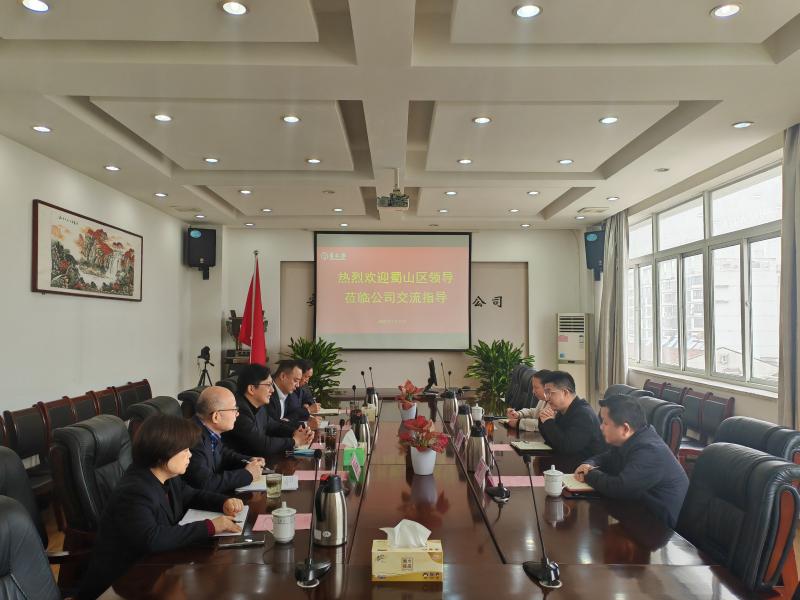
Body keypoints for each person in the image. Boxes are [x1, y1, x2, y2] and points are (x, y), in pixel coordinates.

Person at [77, 415, 243, 600]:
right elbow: (152, 538)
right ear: (163, 451)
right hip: (122, 584)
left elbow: (191, 495)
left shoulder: (166, 475)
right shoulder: (135, 490)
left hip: (155, 571)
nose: (190, 455)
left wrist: (223, 502)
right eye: (185, 450)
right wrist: (210, 526)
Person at [574, 394, 689, 528]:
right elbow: (606, 458)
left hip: (658, 527)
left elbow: (620, 487)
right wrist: (589, 464)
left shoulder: (649, 451)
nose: (601, 427)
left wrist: (589, 474)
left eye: (605, 423)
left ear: (625, 428)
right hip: (635, 511)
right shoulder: (633, 438)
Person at [184, 386, 266, 493]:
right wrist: (247, 474)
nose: (237, 414)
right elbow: (205, 483)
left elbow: (223, 453)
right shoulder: (192, 439)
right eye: (234, 409)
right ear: (216, 417)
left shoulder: (207, 429)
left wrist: (249, 460)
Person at [224, 364, 313, 457]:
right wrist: (294, 441)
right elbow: (262, 445)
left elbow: (274, 426)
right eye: (268, 385)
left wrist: (295, 432)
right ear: (251, 389)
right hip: (241, 463)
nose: (272, 390)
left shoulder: (259, 406)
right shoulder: (238, 412)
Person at [537, 370, 605, 469]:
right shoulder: (563, 410)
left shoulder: (583, 414)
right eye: (545, 393)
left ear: (565, 392)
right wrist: (543, 419)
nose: (546, 398)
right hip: (568, 461)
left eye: (549, 393)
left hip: (583, 468)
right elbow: (551, 440)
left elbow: (567, 447)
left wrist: (548, 422)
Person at [268, 360, 320, 430]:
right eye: (295, 380)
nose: (297, 385)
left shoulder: (285, 392)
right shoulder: (268, 395)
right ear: (283, 376)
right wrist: (306, 424)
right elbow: (273, 426)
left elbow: (284, 422)